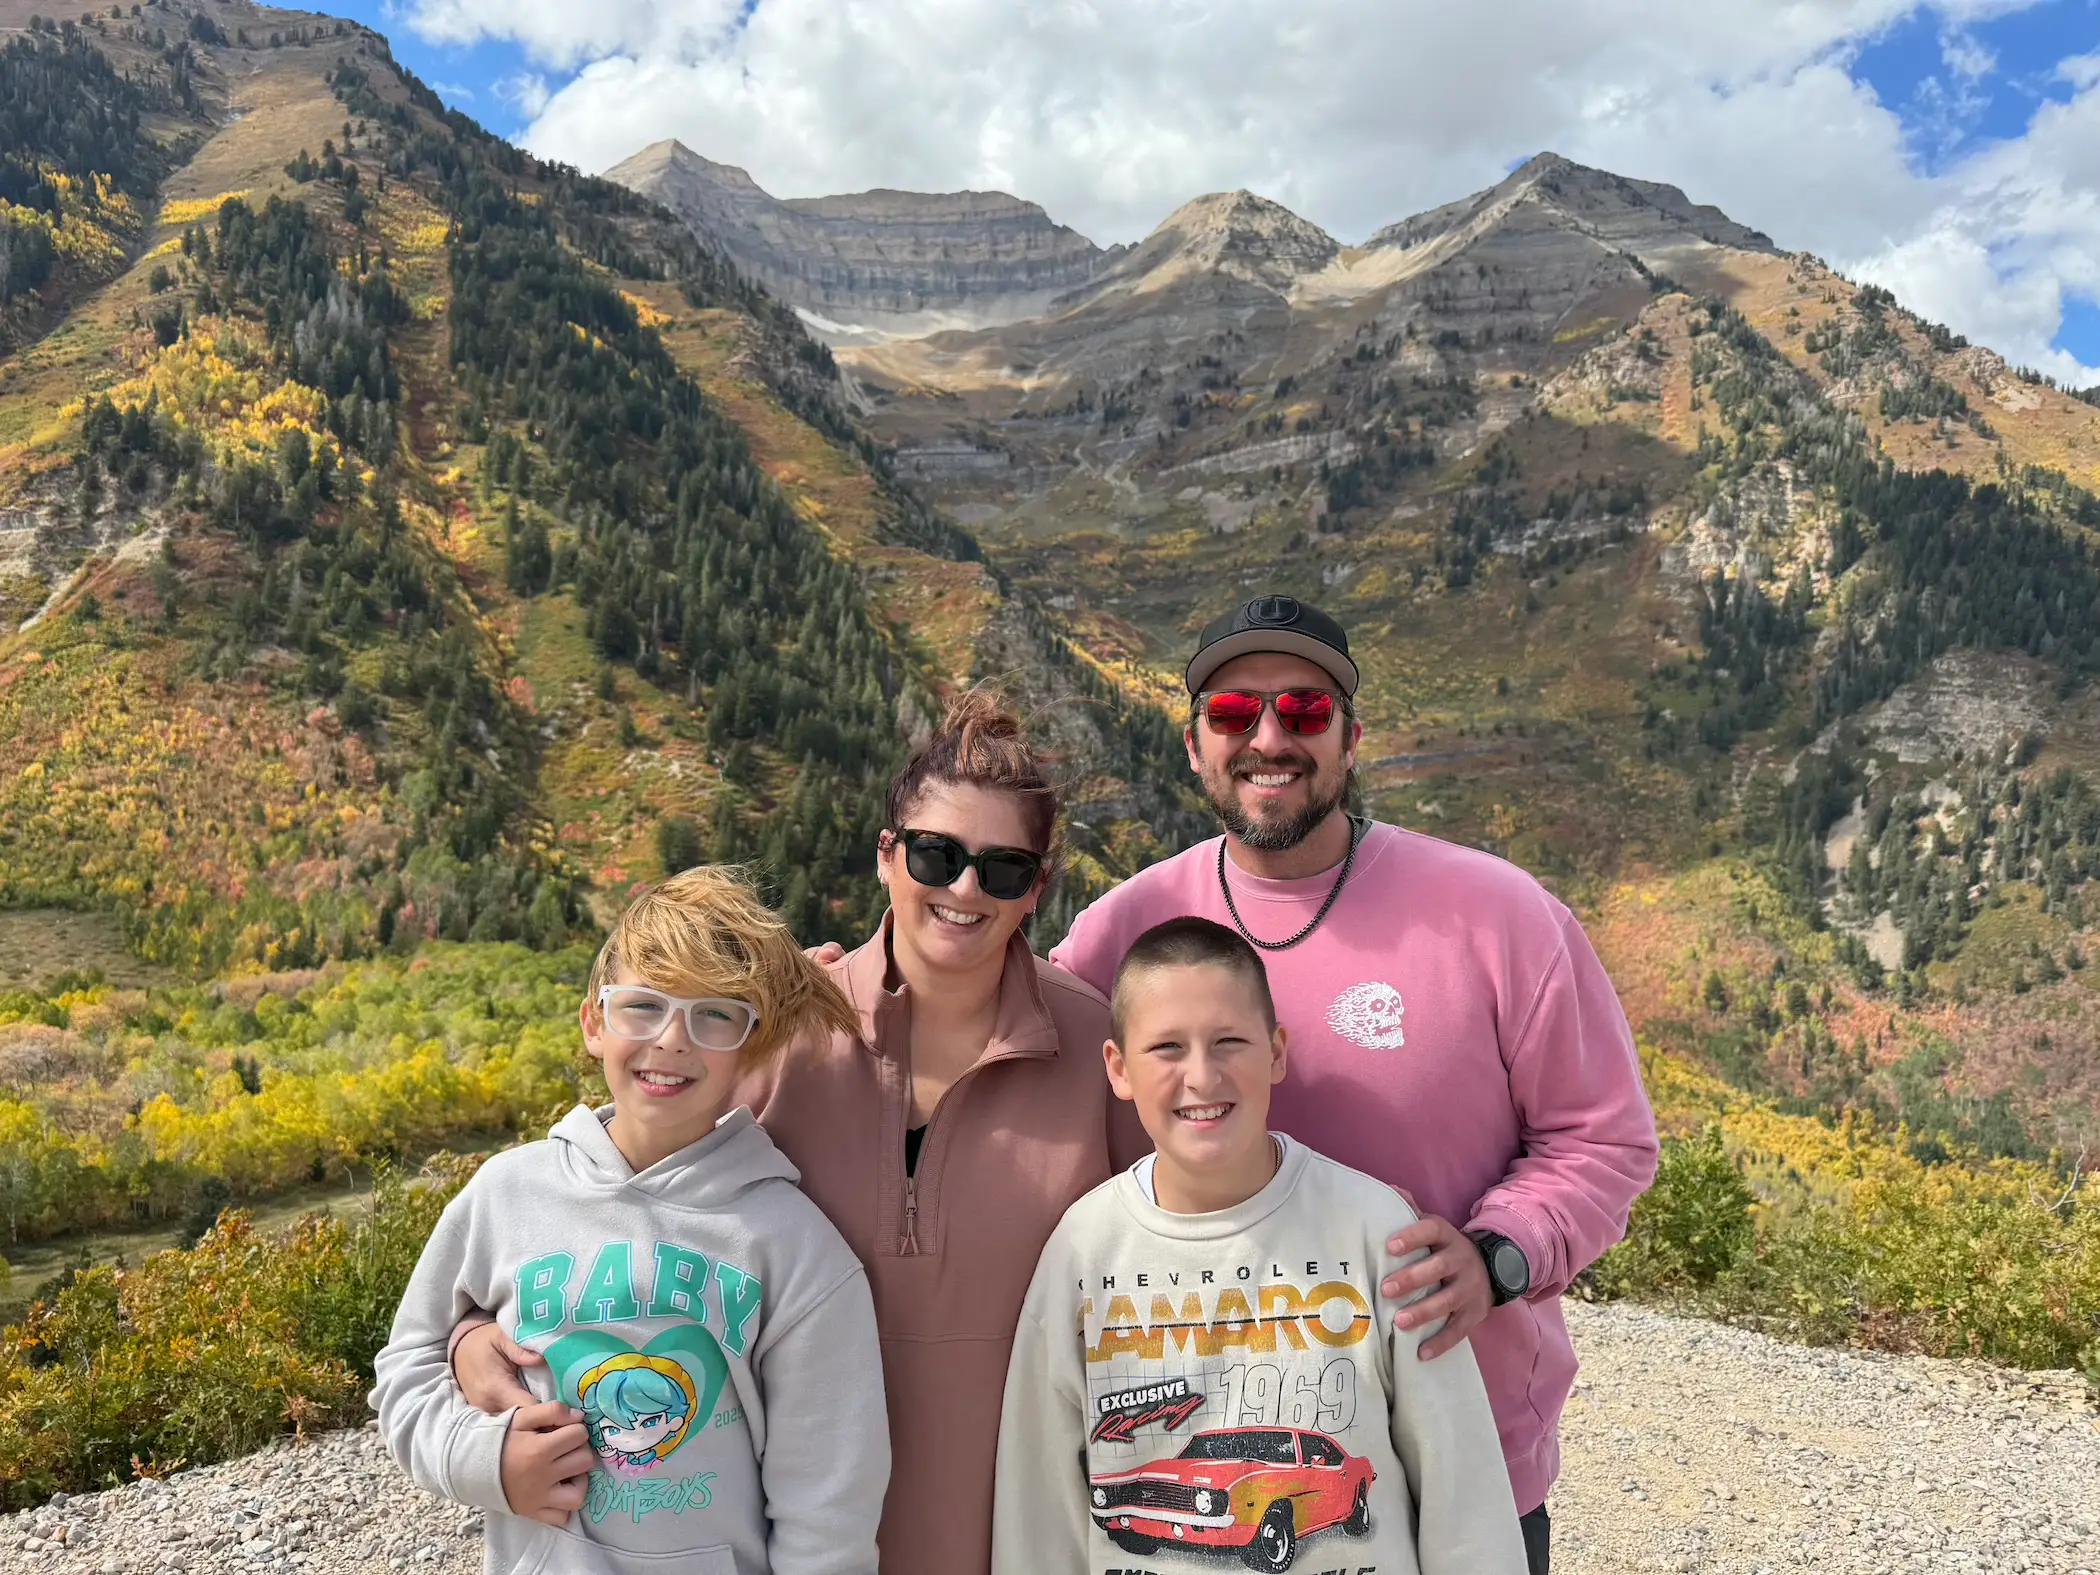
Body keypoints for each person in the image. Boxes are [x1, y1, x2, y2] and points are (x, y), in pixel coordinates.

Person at [448, 692, 1149, 1575]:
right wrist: (468, 1336)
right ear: (887, 856)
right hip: (784, 1544)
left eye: (1003, 868)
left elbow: (1186, 1255)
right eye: (937, 853)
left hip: (1034, 1535)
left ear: (1036, 889)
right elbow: (601, 1214)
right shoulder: (778, 1035)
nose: (965, 888)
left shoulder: (1102, 1053)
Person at [1048, 594, 1660, 1575]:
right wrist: (854, 989)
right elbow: (1000, 1042)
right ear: (1196, 745)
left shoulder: (1499, 916)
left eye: (1303, 711)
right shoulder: (1128, 927)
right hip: (1229, 1481)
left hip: (1460, 1470)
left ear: (1350, 739)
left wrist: (1495, 1257)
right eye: (1233, 715)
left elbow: (1604, 1141)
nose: (1269, 738)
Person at [370, 866, 891, 1575]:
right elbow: (409, 1362)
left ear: (750, 1043)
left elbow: (829, 1499)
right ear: (594, 1021)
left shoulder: (793, 1247)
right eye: (643, 1006)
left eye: (714, 1014)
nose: (673, 1039)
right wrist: (482, 1460)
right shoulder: (506, 1193)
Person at [993, 918, 1529, 1575]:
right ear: (1118, 1067)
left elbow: (1460, 1480)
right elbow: (1039, 1501)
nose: (1201, 1075)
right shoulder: (1082, 1249)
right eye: (1166, 1047)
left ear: (1276, 1052)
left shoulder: (1372, 1226)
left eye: (1229, 1042)